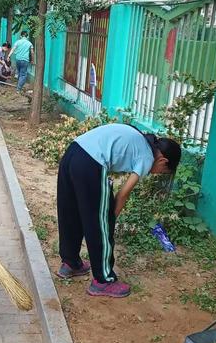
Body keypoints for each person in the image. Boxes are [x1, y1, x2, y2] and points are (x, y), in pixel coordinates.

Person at [57, 124, 181, 298]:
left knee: (70, 212)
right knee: (100, 224)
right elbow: (123, 194)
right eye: (161, 172)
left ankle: (70, 263)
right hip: (91, 162)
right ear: (163, 161)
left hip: (73, 152)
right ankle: (103, 281)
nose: (155, 173)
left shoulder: (140, 139)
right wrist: (108, 220)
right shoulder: (147, 157)